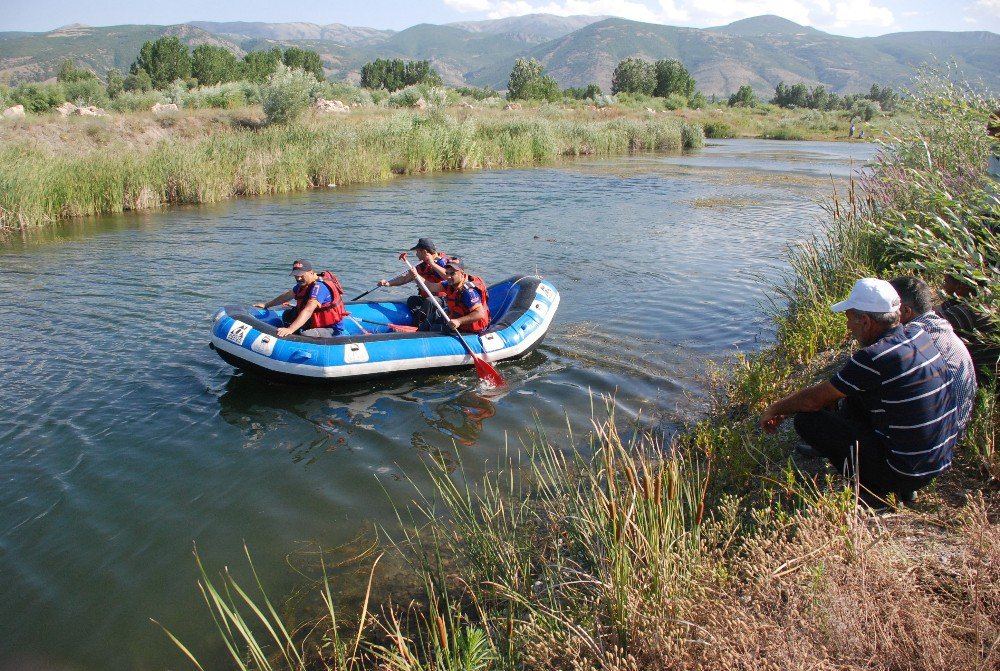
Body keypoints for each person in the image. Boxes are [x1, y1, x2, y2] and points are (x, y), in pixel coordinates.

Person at [760, 278, 960, 506]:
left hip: (904, 470)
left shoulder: (875, 356)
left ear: (865, 321)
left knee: (807, 421)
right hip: (937, 462)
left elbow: (813, 401)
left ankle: (876, 492)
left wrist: (774, 409)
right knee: (851, 394)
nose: (848, 327)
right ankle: (903, 489)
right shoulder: (918, 336)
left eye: (850, 319)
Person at [889, 276, 976, 434]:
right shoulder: (938, 324)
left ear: (906, 311)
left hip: (942, 435)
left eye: (887, 308)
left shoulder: (913, 336)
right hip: (955, 425)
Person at [253, 259, 347, 338]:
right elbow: (287, 295)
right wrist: (266, 305)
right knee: (287, 315)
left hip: (330, 328)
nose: (298, 278)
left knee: (305, 335)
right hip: (313, 321)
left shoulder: (319, 287)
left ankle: (295, 338)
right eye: (296, 275)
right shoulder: (304, 283)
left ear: (311, 272)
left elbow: (308, 310)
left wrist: (290, 329)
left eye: (301, 275)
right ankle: (292, 334)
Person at [937, 273, 1000, 385]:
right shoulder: (988, 306)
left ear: (960, 287)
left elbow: (926, 326)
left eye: (946, 282)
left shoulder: (966, 312)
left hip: (981, 382)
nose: (943, 287)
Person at [379, 238, 451, 323]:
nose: (416, 255)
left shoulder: (442, 262)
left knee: (430, 302)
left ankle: (420, 325)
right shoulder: (422, 265)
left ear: (424, 252)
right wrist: (388, 283)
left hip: (444, 300)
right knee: (412, 300)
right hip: (427, 298)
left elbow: (449, 276)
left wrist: (432, 264)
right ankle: (422, 319)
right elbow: (406, 278)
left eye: (417, 252)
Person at [418, 258, 490, 334]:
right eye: (447, 273)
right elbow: (430, 286)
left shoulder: (468, 292)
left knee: (434, 329)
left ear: (462, 273)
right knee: (436, 315)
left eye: (452, 273)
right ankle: (418, 333)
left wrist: (459, 321)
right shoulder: (450, 284)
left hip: (469, 329)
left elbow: (479, 313)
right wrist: (415, 276)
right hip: (456, 320)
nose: (448, 277)